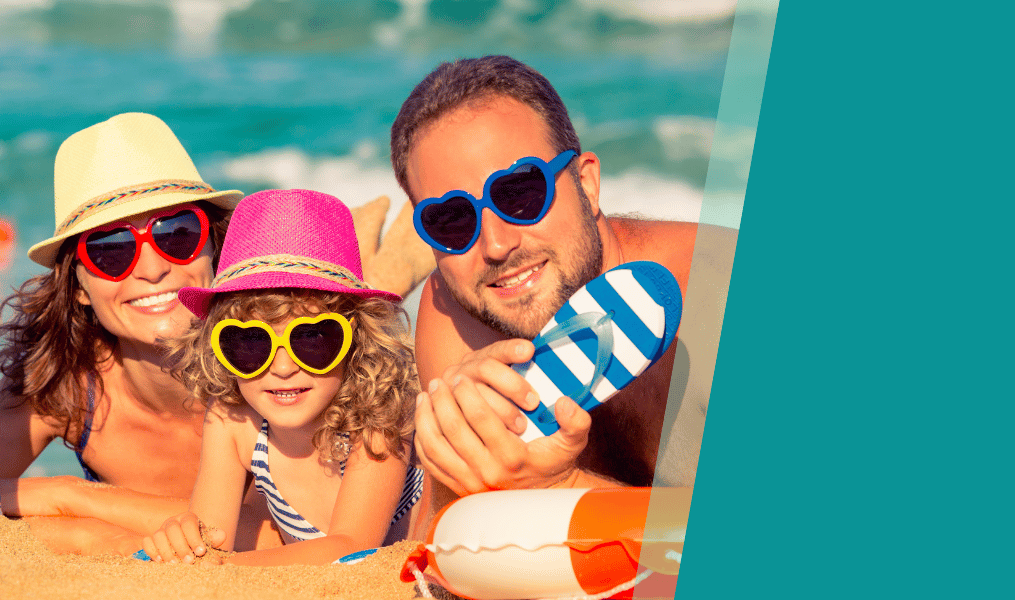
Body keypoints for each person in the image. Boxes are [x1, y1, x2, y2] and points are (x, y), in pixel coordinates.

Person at [392, 56, 731, 504]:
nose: (494, 245)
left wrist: (562, 489)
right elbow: (453, 529)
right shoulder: (457, 310)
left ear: (587, 184)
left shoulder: (719, 296)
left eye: (519, 193)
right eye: (451, 221)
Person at [0, 113, 281, 554]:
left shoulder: (279, 361)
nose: (153, 268)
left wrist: (73, 497)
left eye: (176, 233)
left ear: (213, 248)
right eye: (111, 249)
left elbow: (275, 534)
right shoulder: (66, 387)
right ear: (79, 286)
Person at [139, 189, 423, 566]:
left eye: (312, 338)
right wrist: (184, 540)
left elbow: (352, 547)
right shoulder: (232, 419)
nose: (284, 368)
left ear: (356, 340)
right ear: (217, 346)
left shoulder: (382, 412)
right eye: (250, 343)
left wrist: (219, 568)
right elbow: (211, 537)